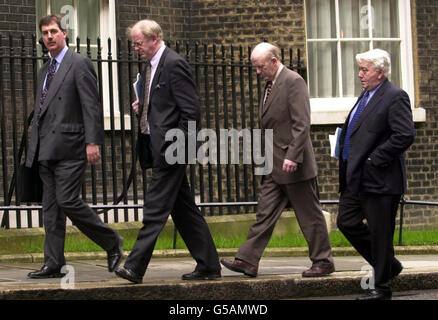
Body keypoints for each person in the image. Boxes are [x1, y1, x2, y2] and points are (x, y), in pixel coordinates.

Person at [115, 19, 221, 284]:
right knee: (184, 210)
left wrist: (178, 147)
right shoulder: (152, 66)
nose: (136, 48)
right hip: (160, 146)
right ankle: (209, 264)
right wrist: (145, 107)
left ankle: (135, 266)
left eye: (138, 43)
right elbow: (166, 105)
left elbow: (191, 111)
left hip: (173, 148)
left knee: (155, 208)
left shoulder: (174, 63)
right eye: (134, 44)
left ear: (154, 38)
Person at [221, 42, 335, 278]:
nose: (258, 72)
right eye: (255, 67)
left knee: (309, 216)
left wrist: (293, 156)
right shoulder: (270, 84)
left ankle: (323, 261)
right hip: (273, 164)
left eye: (260, 67)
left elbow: (301, 123)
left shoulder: (293, 81)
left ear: (274, 61)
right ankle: (247, 260)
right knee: (264, 213)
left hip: (293, 166)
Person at [25, 15, 123, 279]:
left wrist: (93, 142)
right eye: (45, 33)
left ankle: (111, 242)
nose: (49, 37)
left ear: (64, 33)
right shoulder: (44, 70)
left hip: (71, 147)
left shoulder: (79, 63)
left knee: (67, 200)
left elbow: (91, 105)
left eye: (54, 31)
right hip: (46, 150)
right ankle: (54, 262)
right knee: (51, 210)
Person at [337, 49, 415, 300]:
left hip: (380, 178)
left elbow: (404, 134)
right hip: (356, 176)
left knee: (381, 234)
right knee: (346, 222)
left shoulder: (395, 96)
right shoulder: (366, 95)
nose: (360, 74)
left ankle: (382, 288)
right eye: (359, 69)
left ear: (380, 73)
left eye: (365, 70)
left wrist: (374, 159)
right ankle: (390, 266)